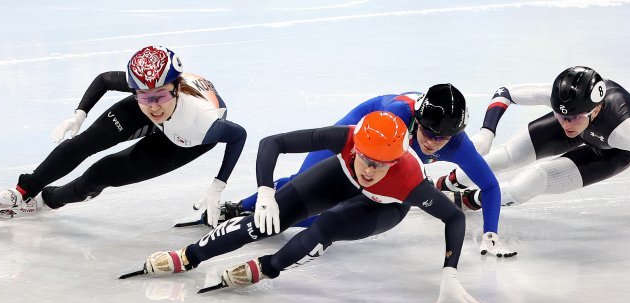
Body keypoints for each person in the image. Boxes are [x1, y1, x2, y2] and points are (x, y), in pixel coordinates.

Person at [140, 111, 484, 303]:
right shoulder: (347, 138)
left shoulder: (409, 181)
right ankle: (189, 256)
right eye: (365, 158)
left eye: (380, 165)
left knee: (327, 225)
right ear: (356, 147)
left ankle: (267, 268)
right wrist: (264, 191)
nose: (369, 169)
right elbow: (272, 143)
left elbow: (453, 216)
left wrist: (450, 270)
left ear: (395, 162)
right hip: (340, 178)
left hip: (383, 206)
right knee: (262, 223)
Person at [208, 83, 514, 257]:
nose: (433, 143)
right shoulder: (396, 118)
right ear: (416, 122)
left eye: (442, 138)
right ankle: (238, 207)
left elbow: (490, 186)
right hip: (363, 130)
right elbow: (356, 174)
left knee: (315, 217)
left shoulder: (458, 146)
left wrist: (491, 231)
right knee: (309, 186)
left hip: (392, 155)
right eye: (428, 134)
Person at [437, 66, 630, 243]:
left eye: (572, 117)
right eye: (561, 116)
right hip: (592, 128)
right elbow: (505, 92)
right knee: (506, 156)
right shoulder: (568, 110)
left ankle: (471, 199)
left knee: (531, 181)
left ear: (596, 109)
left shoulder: (623, 130)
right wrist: (488, 131)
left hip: (611, 151)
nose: (565, 123)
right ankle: (447, 183)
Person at [0, 46, 246, 227]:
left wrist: (218, 185)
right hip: (169, 112)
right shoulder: (148, 91)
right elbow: (104, 79)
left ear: (176, 88)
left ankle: (47, 201)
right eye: (143, 95)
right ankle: (22, 192)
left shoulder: (203, 122)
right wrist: (79, 114)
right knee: (85, 143)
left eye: (160, 95)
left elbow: (239, 135)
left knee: (101, 174)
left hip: (186, 139)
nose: (153, 105)